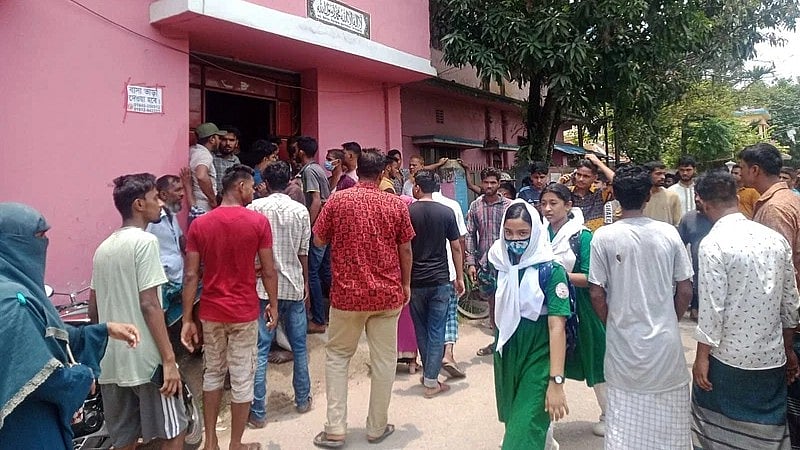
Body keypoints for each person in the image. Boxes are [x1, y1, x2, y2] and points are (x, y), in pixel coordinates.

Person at [0, 203, 140, 450]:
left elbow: (42, 335)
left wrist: (102, 330)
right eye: (38, 236)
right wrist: (82, 377)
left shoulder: (13, 288)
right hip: (25, 427)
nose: (44, 243)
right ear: (10, 242)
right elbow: (39, 374)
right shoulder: (11, 301)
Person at [311, 150, 415, 448]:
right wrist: (405, 284)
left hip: (346, 295)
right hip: (386, 294)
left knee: (338, 357)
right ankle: (376, 427)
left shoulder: (338, 200)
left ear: (355, 169)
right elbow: (406, 250)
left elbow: (318, 239)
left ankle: (335, 429)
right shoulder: (395, 204)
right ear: (382, 173)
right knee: (384, 361)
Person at [690, 171, 800, 448]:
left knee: (718, 433)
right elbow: (790, 303)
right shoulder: (774, 240)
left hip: (728, 358)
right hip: (771, 357)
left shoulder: (713, 244)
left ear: (700, 201)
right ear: (737, 197)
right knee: (769, 429)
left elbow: (713, 308)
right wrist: (787, 350)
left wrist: (701, 357)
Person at [588, 165, 694, 449]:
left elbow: (596, 293)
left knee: (624, 420)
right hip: (665, 346)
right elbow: (685, 288)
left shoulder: (604, 236)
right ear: (649, 194)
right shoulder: (669, 234)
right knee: (670, 421)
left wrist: (613, 321)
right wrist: (669, 319)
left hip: (623, 345)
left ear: (615, 196)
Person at [181, 164, 279, 450]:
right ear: (239, 186)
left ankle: (211, 440)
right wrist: (273, 304)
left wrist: (187, 318)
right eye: (251, 186)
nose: (253, 190)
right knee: (242, 377)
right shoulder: (257, 223)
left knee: (212, 373)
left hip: (211, 311)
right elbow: (269, 270)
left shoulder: (200, 225)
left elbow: (190, 275)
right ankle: (235, 443)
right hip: (244, 311)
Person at [90, 174, 187, 449]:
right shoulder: (145, 243)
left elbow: (93, 311)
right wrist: (169, 360)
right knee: (173, 432)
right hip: (146, 363)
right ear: (138, 205)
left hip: (110, 364)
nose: (160, 203)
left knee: (125, 440)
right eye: (155, 197)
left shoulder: (103, 248)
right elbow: (150, 304)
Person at [489, 200, 570, 449]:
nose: (515, 240)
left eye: (523, 233)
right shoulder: (500, 263)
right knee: (517, 423)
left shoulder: (551, 269)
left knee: (519, 438)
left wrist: (556, 382)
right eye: (509, 233)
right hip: (507, 353)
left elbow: (558, 326)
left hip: (539, 355)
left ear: (535, 232)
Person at [738, 142, 800, 444]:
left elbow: (776, 273)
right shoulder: (788, 198)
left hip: (788, 317)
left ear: (755, 170)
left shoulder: (774, 208)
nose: (739, 174)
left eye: (741, 168)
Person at [247, 161, 313, 428]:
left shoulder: (253, 209)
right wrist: (306, 282)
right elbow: (303, 252)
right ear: (288, 182)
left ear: (264, 181)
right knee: (299, 347)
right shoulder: (300, 211)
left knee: (260, 350)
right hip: (293, 286)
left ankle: (259, 412)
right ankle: (302, 399)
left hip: (262, 288)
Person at [539, 183, 608, 438]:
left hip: (581, 309)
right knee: (549, 362)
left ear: (568, 205)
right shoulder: (539, 234)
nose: (547, 208)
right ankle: (545, 424)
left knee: (595, 356)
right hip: (548, 307)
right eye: (543, 203)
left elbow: (592, 276)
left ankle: (609, 414)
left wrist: (559, 275)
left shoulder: (583, 236)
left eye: (553, 203)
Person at [408, 170, 466, 398]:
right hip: (440, 279)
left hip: (415, 281)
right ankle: (431, 381)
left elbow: (402, 247)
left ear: (417, 188)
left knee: (421, 329)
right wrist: (459, 277)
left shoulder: (408, 212)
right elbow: (456, 247)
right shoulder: (447, 211)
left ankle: (429, 374)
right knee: (436, 329)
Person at [465, 167, 513, 356]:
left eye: (493, 182)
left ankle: (510, 342)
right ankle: (496, 342)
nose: (489, 186)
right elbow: (469, 234)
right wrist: (470, 262)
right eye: (486, 182)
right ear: (482, 183)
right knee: (492, 303)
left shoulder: (509, 206)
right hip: (485, 263)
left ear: (499, 184)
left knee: (509, 302)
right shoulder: (475, 206)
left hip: (508, 263)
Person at [146, 171, 193, 326]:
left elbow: (180, 240)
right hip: (162, 280)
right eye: (177, 190)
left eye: (182, 190)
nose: (182, 194)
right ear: (164, 195)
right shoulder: (153, 220)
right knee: (159, 319)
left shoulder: (171, 215)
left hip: (175, 278)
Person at [295, 136, 332, 334]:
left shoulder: (309, 171)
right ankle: (333, 313)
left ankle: (318, 319)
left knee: (313, 273)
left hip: (318, 227)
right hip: (326, 226)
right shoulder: (318, 169)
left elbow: (316, 201)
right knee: (326, 271)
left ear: (301, 151)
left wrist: (308, 228)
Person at [432, 185, 469, 378]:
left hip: (423, 274)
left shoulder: (414, 207)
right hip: (449, 270)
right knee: (450, 314)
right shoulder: (452, 206)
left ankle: (432, 364)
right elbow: (459, 242)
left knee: (432, 319)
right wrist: (460, 271)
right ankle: (448, 354)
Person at [677, 196, 713, 321]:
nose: (697, 199)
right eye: (695, 194)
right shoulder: (689, 218)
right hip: (698, 278)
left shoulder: (725, 220)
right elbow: (679, 247)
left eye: (702, 195)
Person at [567, 153, 615, 231]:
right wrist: (559, 183)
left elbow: (619, 182)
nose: (581, 179)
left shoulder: (601, 193)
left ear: (595, 177)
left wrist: (599, 163)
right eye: (578, 175)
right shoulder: (566, 193)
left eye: (586, 176)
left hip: (595, 238)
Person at [189, 122, 227, 219]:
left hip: (195, 202)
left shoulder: (193, 150)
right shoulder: (204, 155)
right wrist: (212, 199)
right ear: (212, 139)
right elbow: (201, 176)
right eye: (219, 138)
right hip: (204, 204)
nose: (220, 141)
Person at [642, 160, 682, 226]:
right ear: (647, 174)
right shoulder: (638, 196)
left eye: (664, 174)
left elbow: (677, 223)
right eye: (658, 174)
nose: (663, 177)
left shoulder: (672, 196)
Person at [213, 126, 243, 193]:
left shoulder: (236, 160)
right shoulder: (211, 158)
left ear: (236, 143)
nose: (228, 143)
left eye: (231, 140)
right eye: (224, 140)